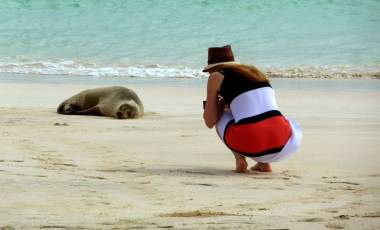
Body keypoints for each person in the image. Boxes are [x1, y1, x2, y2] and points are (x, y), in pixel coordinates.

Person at [202, 45, 302, 173]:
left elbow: (209, 121)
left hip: (250, 141)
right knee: (264, 115)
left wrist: (220, 103)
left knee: (223, 117)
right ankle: (264, 163)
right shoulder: (255, 73)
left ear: (213, 68)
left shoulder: (216, 76)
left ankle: (240, 160)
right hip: (286, 142)